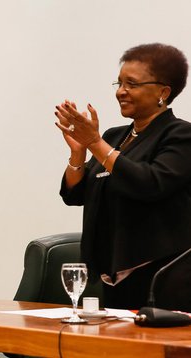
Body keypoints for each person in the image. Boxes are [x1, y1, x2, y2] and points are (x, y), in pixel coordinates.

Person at [55, 43, 191, 311]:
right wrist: (78, 154)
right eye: (119, 83)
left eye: (132, 84)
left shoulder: (181, 136)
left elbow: (149, 183)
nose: (120, 92)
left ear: (163, 91)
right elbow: (75, 195)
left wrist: (94, 143)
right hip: (114, 274)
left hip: (163, 276)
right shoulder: (114, 137)